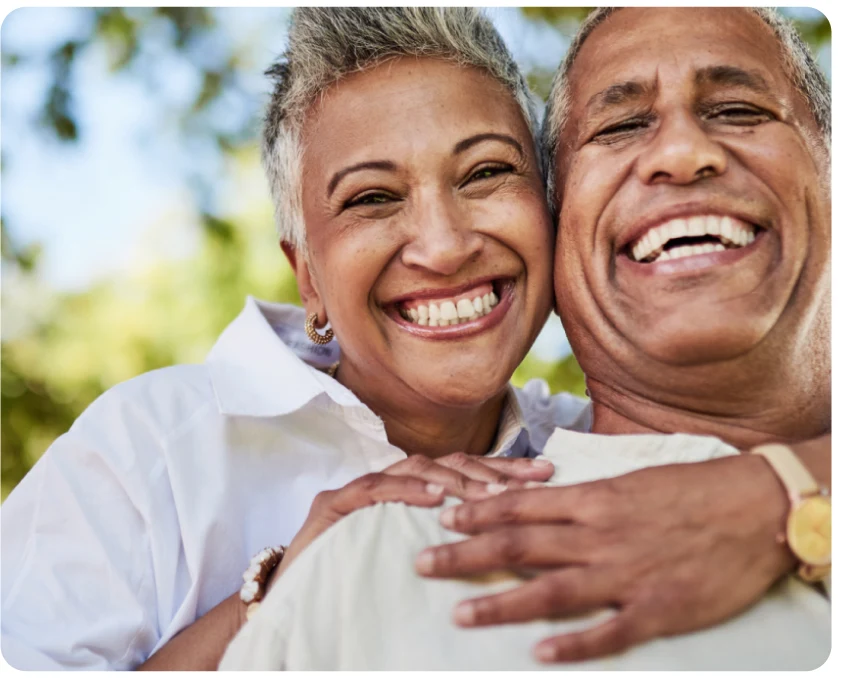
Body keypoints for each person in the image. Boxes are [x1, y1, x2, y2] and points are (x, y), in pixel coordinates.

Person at [218, 6, 831, 670]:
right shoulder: (375, 564)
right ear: (560, 223)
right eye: (621, 125)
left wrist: (790, 491)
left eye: (739, 109)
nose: (682, 155)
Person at [0, 7, 590, 671]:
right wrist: (280, 590)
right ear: (307, 276)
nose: (445, 246)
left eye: (485, 173)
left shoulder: (609, 449)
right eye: (372, 198)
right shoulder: (151, 451)